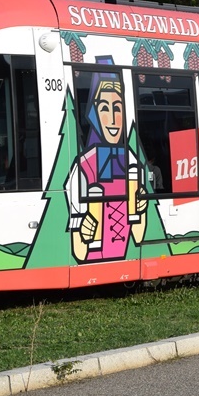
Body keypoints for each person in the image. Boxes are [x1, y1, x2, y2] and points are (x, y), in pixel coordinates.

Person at [68, 69, 148, 262]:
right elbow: (78, 252)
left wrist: (141, 211)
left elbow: (138, 236)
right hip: (94, 256)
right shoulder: (83, 167)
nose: (113, 119)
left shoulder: (132, 162)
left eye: (118, 108)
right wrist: (82, 233)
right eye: (104, 108)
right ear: (94, 114)